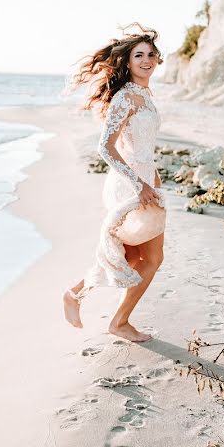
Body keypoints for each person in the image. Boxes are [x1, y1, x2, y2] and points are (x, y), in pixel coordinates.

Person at [62, 24, 166, 343]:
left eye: (151, 54)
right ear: (128, 61)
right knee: (150, 258)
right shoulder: (127, 96)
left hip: (147, 180)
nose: (146, 60)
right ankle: (118, 321)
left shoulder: (145, 94)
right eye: (139, 55)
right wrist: (139, 184)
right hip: (130, 186)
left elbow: (141, 146)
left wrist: (153, 178)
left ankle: (76, 295)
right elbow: (105, 147)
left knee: (135, 258)